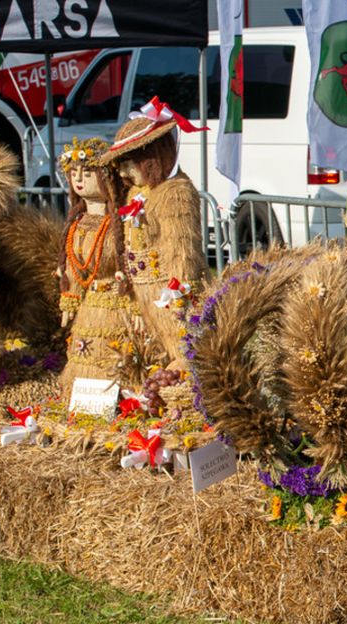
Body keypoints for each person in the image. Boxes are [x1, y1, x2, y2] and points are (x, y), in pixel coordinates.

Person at [99, 97, 209, 371]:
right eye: (120, 165)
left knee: (182, 353)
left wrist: (180, 298)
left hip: (169, 296)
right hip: (145, 293)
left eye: (129, 163)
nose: (122, 173)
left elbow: (182, 253)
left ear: (151, 158)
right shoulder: (137, 194)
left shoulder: (176, 193)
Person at [57, 137, 134, 400]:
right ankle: (82, 400)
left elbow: (130, 260)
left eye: (87, 173)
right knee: (84, 350)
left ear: (105, 177)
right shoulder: (76, 223)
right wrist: (70, 296)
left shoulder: (120, 224)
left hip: (115, 303)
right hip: (89, 306)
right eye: (74, 173)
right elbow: (73, 264)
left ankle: (119, 398)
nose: (79, 180)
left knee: (113, 353)